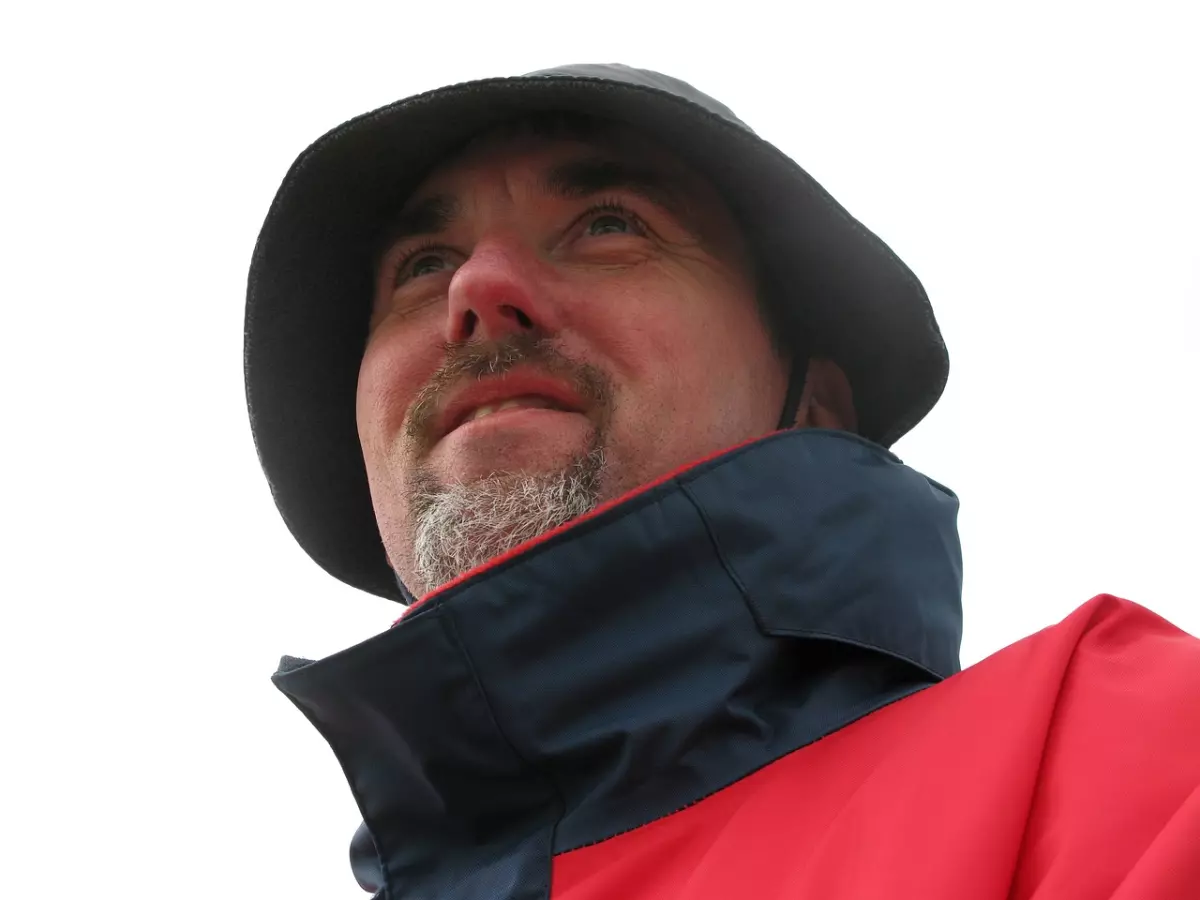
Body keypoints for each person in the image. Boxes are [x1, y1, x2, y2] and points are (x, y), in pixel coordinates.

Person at [245, 65, 1200, 899]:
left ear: (816, 406)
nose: (478, 287)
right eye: (421, 265)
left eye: (608, 225)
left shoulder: (1104, 749)